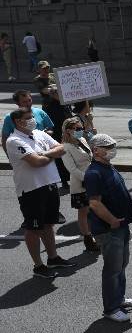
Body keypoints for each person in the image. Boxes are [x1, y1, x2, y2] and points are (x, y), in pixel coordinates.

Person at [6, 107, 73, 278]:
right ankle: (38, 265)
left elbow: (62, 148)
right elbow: (36, 162)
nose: (32, 120)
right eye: (28, 117)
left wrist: (45, 153)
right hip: (31, 190)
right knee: (33, 229)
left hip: (49, 184)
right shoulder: (14, 140)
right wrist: (50, 155)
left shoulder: (38, 133)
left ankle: (53, 257)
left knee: (49, 224)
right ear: (18, 122)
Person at [83, 134, 132, 322]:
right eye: (107, 146)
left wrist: (124, 225)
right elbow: (94, 203)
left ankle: (119, 299)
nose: (111, 149)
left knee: (121, 266)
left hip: (121, 227)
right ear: (96, 150)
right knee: (112, 269)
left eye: (112, 145)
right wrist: (113, 221)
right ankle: (111, 308)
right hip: (109, 229)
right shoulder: (94, 173)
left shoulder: (108, 167)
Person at [60, 117, 100, 253]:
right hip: (81, 183)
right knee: (83, 212)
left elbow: (90, 157)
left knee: (95, 209)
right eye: (77, 129)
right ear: (68, 130)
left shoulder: (82, 140)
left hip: (92, 180)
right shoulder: (66, 147)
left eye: (81, 128)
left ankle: (96, 233)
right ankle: (88, 239)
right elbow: (72, 169)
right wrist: (87, 179)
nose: (81, 131)